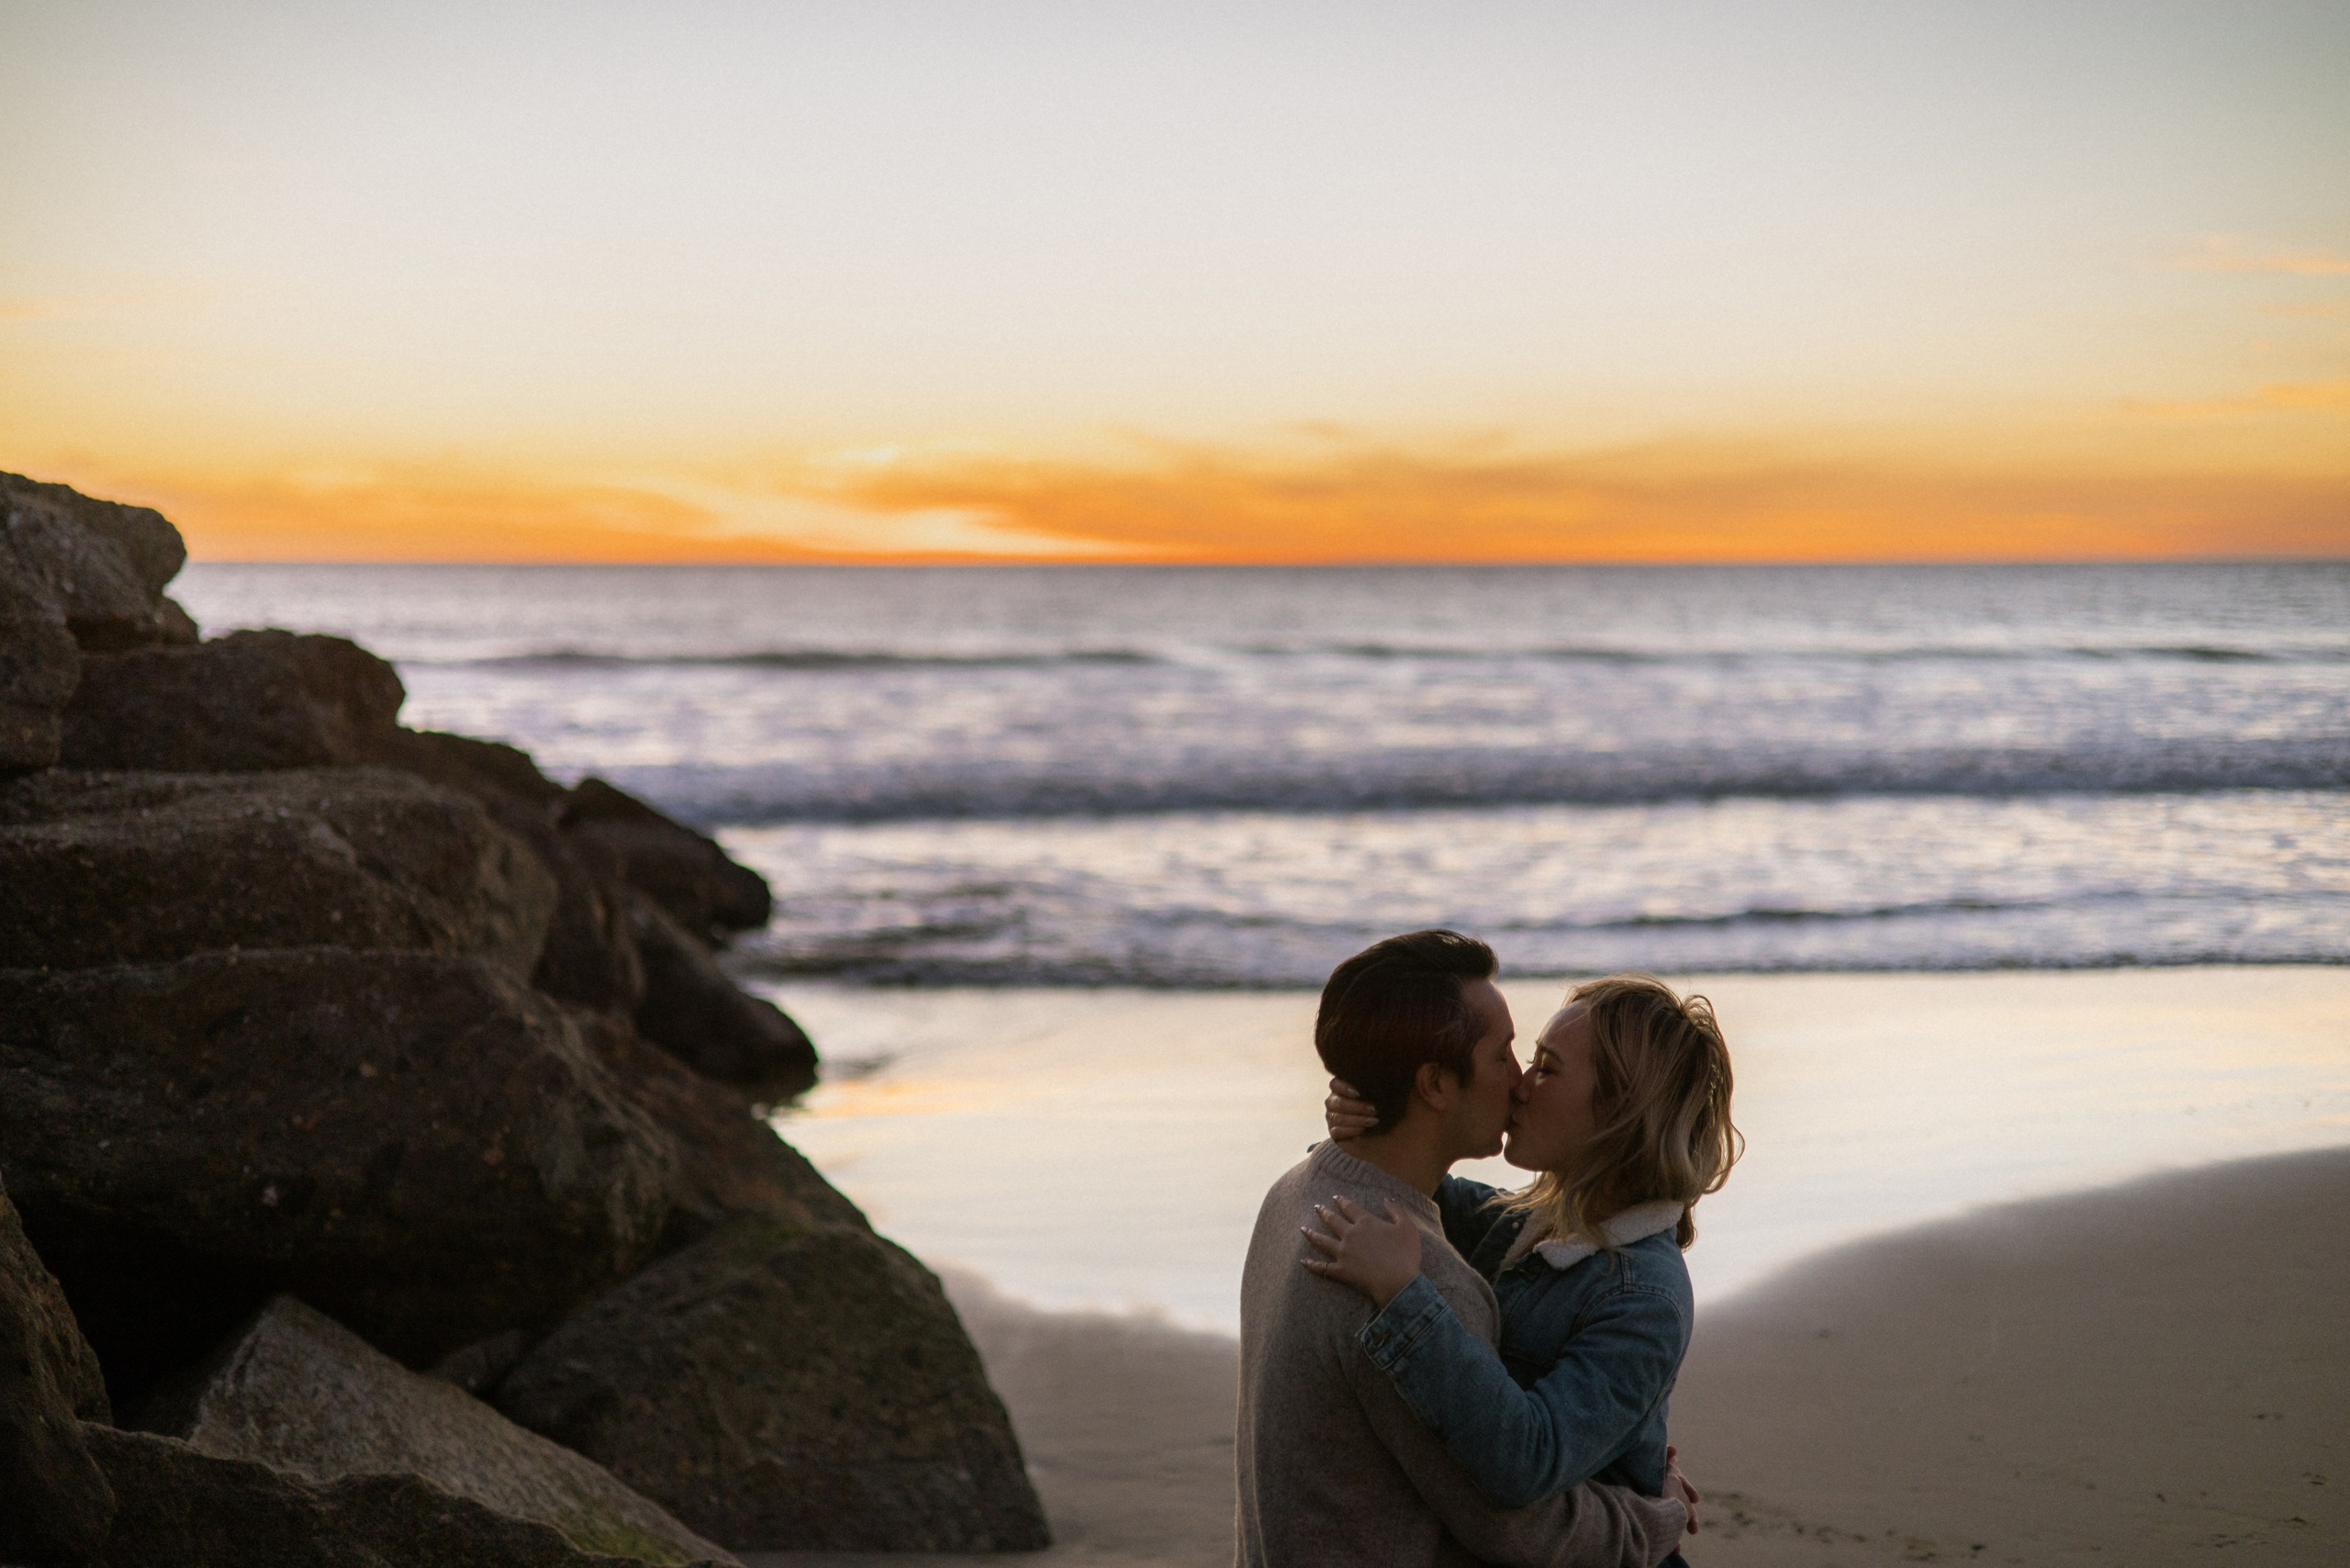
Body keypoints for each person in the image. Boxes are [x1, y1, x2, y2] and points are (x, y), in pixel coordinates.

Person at [1237, 932, 1694, 1568]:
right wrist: (1367, 1105)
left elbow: (1522, 1471)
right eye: (1510, 1055)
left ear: (1617, 1115)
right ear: (1434, 1084)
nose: (1520, 1082)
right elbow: (1513, 1523)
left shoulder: (1298, 1198)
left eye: (1544, 1066)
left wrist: (1371, 1123)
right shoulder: (1439, 1261)